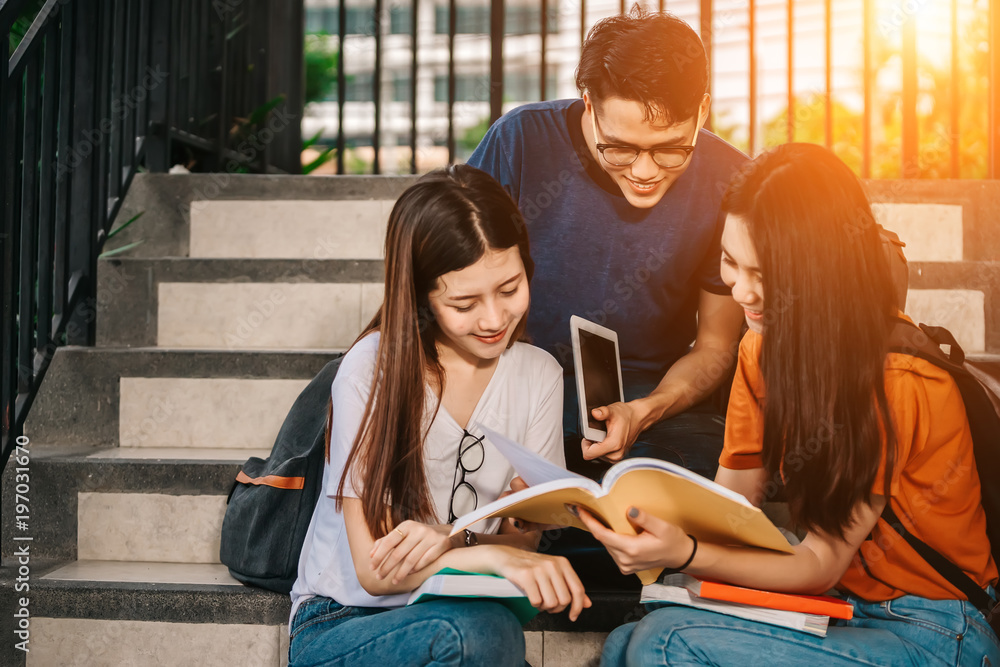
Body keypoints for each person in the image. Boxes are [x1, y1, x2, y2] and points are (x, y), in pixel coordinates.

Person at [583, 143, 1000, 665]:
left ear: (819, 275)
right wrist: (629, 517)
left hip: (934, 629)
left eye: (767, 274)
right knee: (630, 638)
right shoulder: (761, 349)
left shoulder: (895, 378)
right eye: (731, 262)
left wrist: (686, 553)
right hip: (843, 608)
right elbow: (730, 511)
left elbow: (821, 561)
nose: (741, 291)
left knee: (663, 643)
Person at [288, 165, 590, 667]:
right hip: (344, 619)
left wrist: (487, 536)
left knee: (484, 629)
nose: (494, 320)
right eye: (465, 303)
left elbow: (526, 538)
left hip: (463, 610)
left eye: (510, 289)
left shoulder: (539, 375)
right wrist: (490, 553)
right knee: (479, 632)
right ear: (421, 297)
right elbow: (374, 572)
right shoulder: (370, 369)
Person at [467, 7, 747, 482]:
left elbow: (717, 346)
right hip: (507, 380)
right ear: (589, 106)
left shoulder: (728, 179)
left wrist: (645, 411)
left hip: (655, 396)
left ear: (702, 110)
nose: (644, 172)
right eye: (619, 147)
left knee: (673, 508)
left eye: (671, 148)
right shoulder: (519, 142)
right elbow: (445, 281)